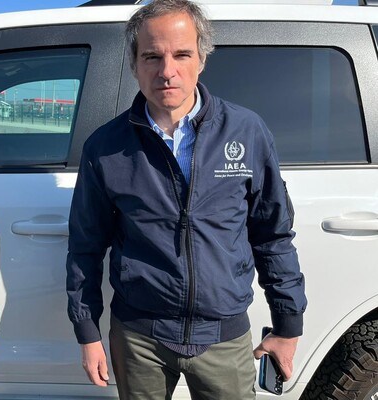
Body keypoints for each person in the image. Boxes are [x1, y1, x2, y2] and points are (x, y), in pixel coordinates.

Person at [65, 0, 307, 399]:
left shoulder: (246, 132)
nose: (167, 71)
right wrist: (87, 331)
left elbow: (272, 234)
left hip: (224, 336)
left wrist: (287, 325)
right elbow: (85, 247)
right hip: (139, 338)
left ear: (202, 59)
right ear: (134, 63)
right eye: (152, 56)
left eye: (181, 54)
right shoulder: (105, 147)